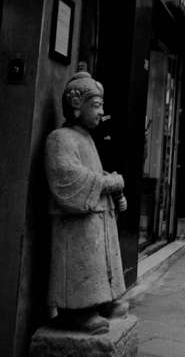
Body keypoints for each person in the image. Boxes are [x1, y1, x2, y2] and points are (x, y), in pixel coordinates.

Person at [45, 71, 129, 334]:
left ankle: (100, 303)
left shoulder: (86, 138)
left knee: (97, 261)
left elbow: (92, 173)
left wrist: (111, 184)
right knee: (82, 262)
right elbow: (68, 178)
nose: (101, 112)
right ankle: (77, 312)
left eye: (101, 106)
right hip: (76, 219)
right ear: (76, 106)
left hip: (96, 213)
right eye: (96, 105)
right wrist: (109, 183)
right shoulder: (60, 138)